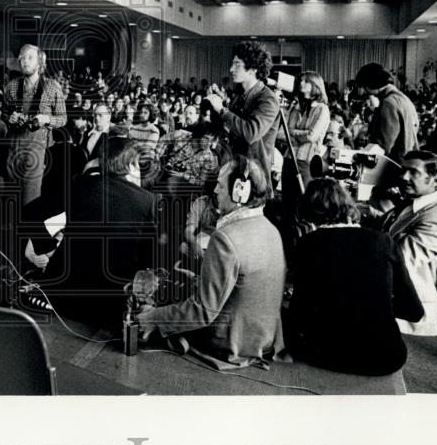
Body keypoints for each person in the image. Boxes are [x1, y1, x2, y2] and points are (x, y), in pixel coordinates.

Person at [138, 158, 286, 369]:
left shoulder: (225, 238)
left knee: (156, 305)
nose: (215, 189)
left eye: (221, 185)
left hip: (228, 342)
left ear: (239, 192)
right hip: (263, 339)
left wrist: (153, 318)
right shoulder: (271, 229)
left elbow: (203, 311)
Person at [287, 178, 424, 376]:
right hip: (387, 357)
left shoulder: (309, 243)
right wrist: (374, 302)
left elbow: (300, 311)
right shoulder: (384, 241)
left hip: (326, 355)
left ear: (308, 212)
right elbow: (414, 312)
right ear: (348, 205)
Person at [38, 138, 160, 326]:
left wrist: (48, 250)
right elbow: (149, 257)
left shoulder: (79, 183)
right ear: (129, 164)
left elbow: (36, 216)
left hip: (60, 294)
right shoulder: (147, 200)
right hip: (108, 308)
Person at [379, 151, 437, 336]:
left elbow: (397, 261)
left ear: (435, 179)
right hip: (386, 283)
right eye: (404, 170)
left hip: (405, 301)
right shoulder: (418, 203)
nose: (404, 177)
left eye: (413, 172)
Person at [205, 40, 280, 194]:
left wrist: (221, 109)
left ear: (253, 68)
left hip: (254, 176)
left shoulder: (268, 99)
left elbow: (250, 132)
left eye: (237, 64)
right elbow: (229, 127)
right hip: (235, 168)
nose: (231, 69)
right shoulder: (240, 95)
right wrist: (217, 106)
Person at [3, 44, 67, 204]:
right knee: (11, 202)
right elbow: (4, 112)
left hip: (35, 154)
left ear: (39, 62)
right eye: (22, 57)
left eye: (30, 57)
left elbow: (63, 119)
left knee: (30, 204)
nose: (25, 61)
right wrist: (8, 117)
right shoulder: (11, 86)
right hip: (12, 151)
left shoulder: (52, 87)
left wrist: (46, 119)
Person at [355, 62, 419, 162]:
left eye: (364, 87)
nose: (364, 91)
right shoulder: (403, 99)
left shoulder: (389, 103)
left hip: (394, 163)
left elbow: (383, 145)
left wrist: (359, 157)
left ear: (372, 84)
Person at [288, 70, 331, 184]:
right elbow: (286, 131)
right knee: (287, 198)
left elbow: (312, 136)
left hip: (307, 160)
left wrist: (293, 134)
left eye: (306, 81)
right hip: (289, 157)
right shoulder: (297, 107)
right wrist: (300, 134)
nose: (301, 83)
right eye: (301, 80)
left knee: (304, 198)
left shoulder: (322, 108)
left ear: (315, 85)